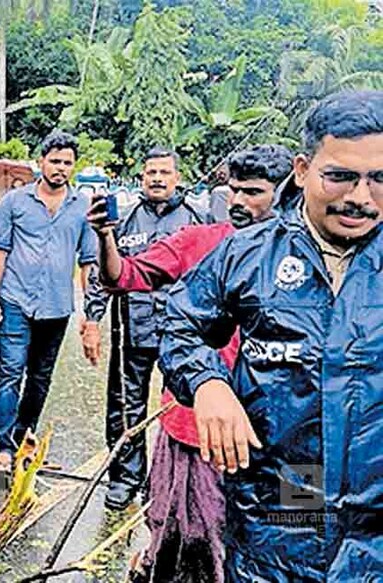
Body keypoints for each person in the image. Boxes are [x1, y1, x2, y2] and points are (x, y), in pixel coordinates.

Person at [159, 90, 383, 581]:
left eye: (379, 179)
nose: (361, 198)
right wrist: (208, 385)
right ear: (302, 170)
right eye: (341, 176)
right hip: (283, 501)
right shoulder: (249, 255)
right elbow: (180, 323)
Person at [89, 144, 292, 582]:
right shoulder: (201, 241)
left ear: (286, 190)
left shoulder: (316, 257)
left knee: (290, 537)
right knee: (188, 535)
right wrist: (105, 235)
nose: (237, 202)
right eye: (233, 190)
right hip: (195, 427)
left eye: (252, 192)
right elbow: (123, 276)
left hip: (287, 434)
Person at [82, 147, 211, 509]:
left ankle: (173, 481)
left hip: (182, 335)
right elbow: (103, 276)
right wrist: (92, 320)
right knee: (126, 406)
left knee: (182, 406)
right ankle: (125, 477)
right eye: (151, 172)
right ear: (142, 178)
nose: (157, 178)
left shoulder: (197, 220)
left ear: (177, 178)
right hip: (132, 331)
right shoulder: (123, 221)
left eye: (164, 172)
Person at [0, 130, 97, 471]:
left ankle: (23, 436)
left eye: (67, 163)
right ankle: (3, 448)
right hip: (14, 300)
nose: (61, 168)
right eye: (55, 161)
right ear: (41, 162)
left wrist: (89, 313)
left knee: (39, 377)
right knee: (9, 373)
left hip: (57, 306)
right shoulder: (14, 203)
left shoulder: (83, 208)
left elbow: (88, 261)